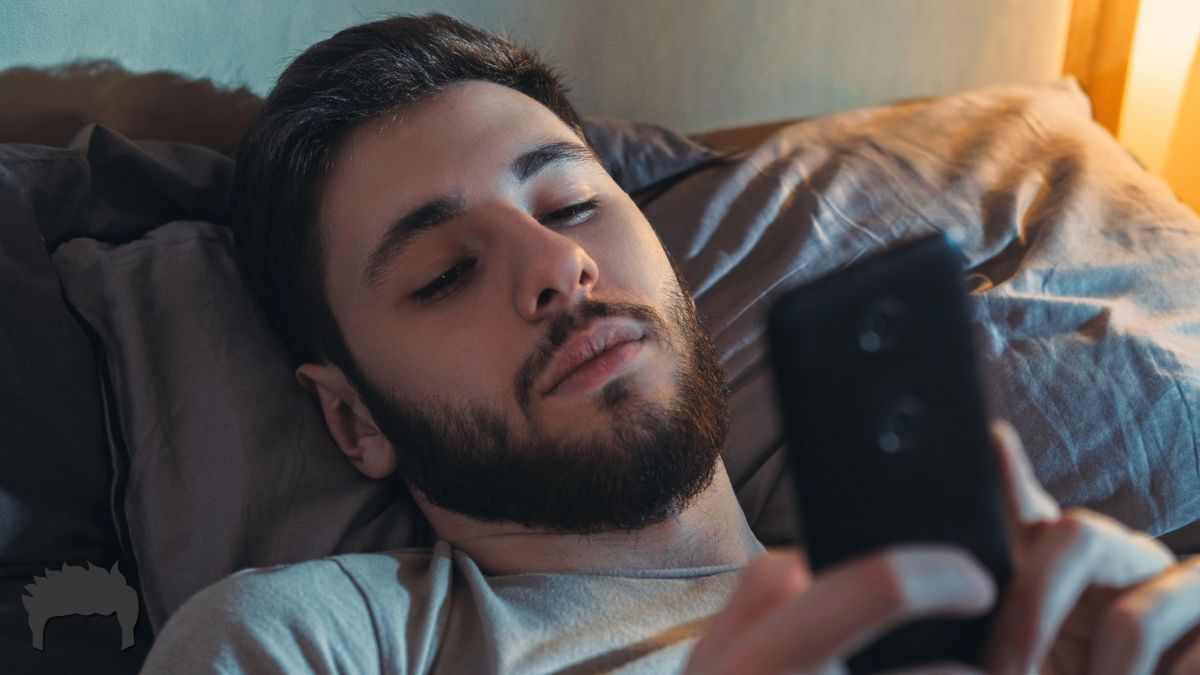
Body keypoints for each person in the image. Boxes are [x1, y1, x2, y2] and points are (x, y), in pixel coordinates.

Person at [141, 13, 1200, 674]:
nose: (555, 269)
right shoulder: (317, 644)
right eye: (446, 274)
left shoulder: (998, 610)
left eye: (566, 204)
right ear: (352, 417)